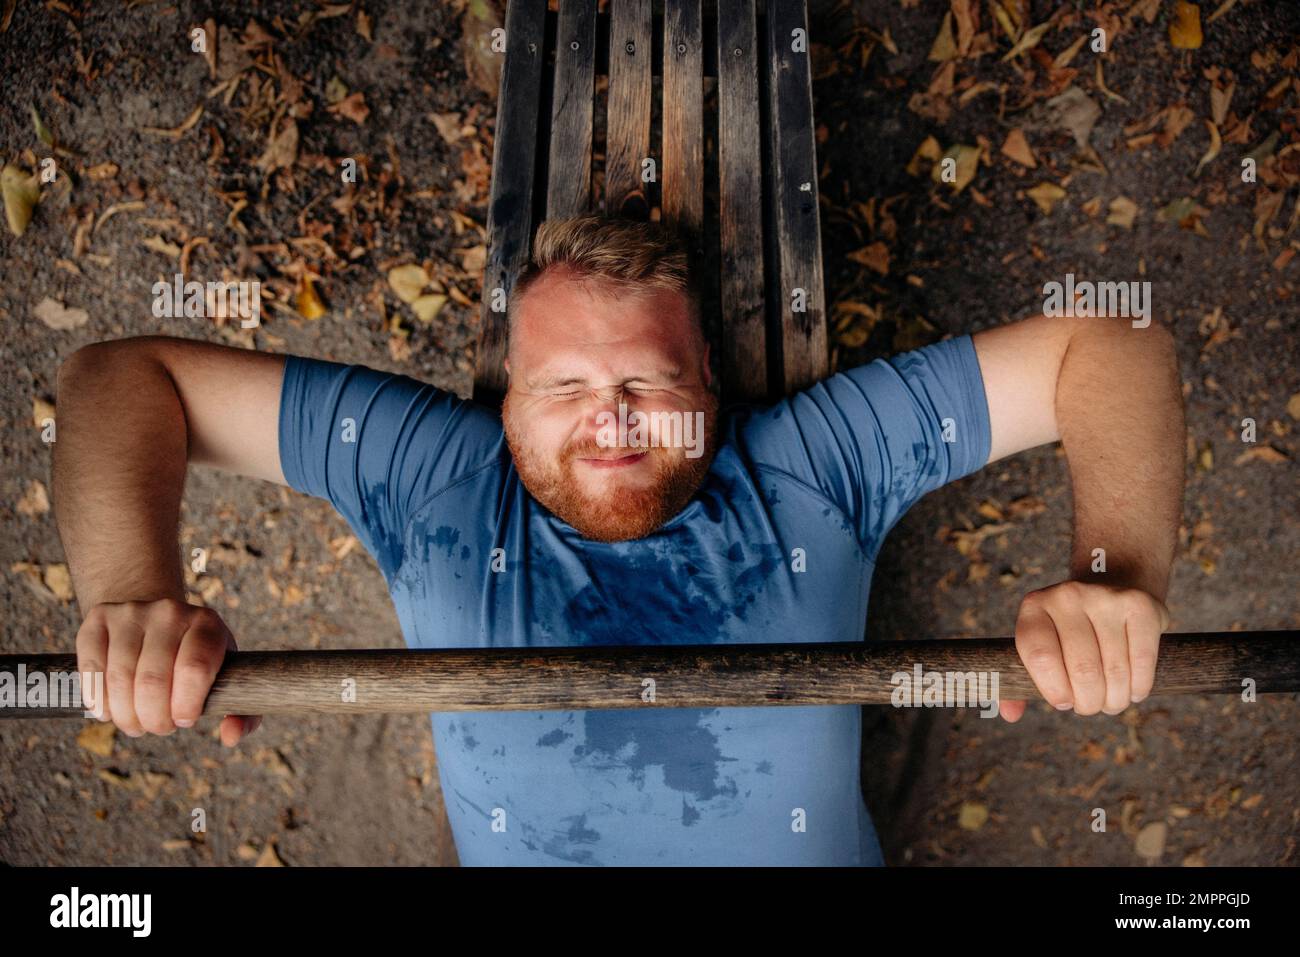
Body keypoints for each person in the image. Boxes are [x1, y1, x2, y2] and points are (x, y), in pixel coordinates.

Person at [52, 215, 1184, 865]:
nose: (611, 417)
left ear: (710, 387)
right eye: (562, 386)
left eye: (648, 378)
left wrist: (1111, 570)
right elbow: (119, 380)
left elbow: (1110, 344)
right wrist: (132, 589)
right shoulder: (434, 475)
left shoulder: (806, 464)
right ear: (502, 402)